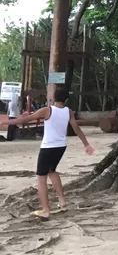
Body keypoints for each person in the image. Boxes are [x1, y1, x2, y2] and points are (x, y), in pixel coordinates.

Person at [0, 87, 94, 219]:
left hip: (48, 147)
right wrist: (86, 144)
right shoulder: (68, 111)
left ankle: (45, 210)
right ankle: (62, 200)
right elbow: (77, 129)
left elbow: (25, 120)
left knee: (41, 178)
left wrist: (6, 121)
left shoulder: (47, 110)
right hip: (61, 146)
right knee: (52, 171)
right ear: (66, 99)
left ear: (53, 98)